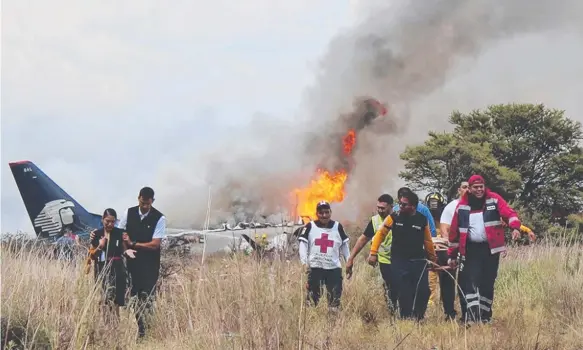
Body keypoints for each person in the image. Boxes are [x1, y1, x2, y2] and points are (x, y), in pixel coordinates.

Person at [447, 175, 522, 324]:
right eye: (476, 187)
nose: (479, 189)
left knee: (487, 283)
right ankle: (472, 318)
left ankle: (485, 317)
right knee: (470, 282)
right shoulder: (462, 206)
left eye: (481, 186)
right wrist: (452, 255)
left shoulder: (494, 199)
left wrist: (515, 228)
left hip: (490, 250)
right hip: (471, 250)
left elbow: (509, 213)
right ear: (469, 188)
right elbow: (454, 232)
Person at [368, 191, 437, 321]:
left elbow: (427, 241)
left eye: (404, 205)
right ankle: (406, 320)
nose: (400, 207)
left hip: (418, 261)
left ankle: (418, 317)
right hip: (399, 261)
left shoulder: (422, 219)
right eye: (400, 204)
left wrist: (432, 259)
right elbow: (380, 234)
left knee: (424, 291)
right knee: (404, 292)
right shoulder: (394, 217)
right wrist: (373, 253)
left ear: (413, 206)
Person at [117, 187, 167, 338]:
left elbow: (155, 244)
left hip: (149, 265)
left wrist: (134, 244)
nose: (145, 206)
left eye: (148, 204)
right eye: (142, 202)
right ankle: (138, 330)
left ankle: (148, 331)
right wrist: (126, 250)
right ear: (138, 198)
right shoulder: (129, 213)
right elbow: (121, 234)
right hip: (132, 263)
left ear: (152, 202)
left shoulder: (159, 218)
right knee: (134, 295)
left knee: (147, 296)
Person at [345, 194, 396, 312]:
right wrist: (351, 258)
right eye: (378, 207)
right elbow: (363, 239)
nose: (379, 210)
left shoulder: (398, 218)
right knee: (388, 288)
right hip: (383, 260)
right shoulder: (375, 220)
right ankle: (392, 313)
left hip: (399, 260)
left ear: (390, 207)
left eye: (383, 208)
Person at [299, 201, 350, 312]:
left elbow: (345, 245)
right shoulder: (310, 226)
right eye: (321, 213)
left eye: (327, 212)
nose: (324, 215)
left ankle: (333, 324)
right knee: (313, 299)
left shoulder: (337, 226)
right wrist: (304, 262)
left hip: (333, 269)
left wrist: (348, 262)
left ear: (331, 212)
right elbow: (303, 244)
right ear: (317, 214)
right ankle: (313, 322)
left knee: (334, 298)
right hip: (315, 268)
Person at [90, 208, 136, 319]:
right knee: (104, 298)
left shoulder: (119, 233)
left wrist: (127, 251)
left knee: (115, 299)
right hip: (101, 269)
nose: (110, 224)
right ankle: (105, 323)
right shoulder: (96, 234)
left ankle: (115, 324)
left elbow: (123, 249)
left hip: (117, 269)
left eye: (113, 221)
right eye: (107, 221)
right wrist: (100, 246)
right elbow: (92, 255)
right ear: (102, 220)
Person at [438, 182, 470, 320]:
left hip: (469, 250)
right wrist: (452, 248)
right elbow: (444, 228)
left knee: (467, 281)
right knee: (448, 279)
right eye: (464, 187)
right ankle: (449, 312)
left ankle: (467, 313)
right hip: (451, 248)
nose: (467, 190)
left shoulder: (478, 206)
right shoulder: (451, 207)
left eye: (470, 187)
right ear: (459, 190)